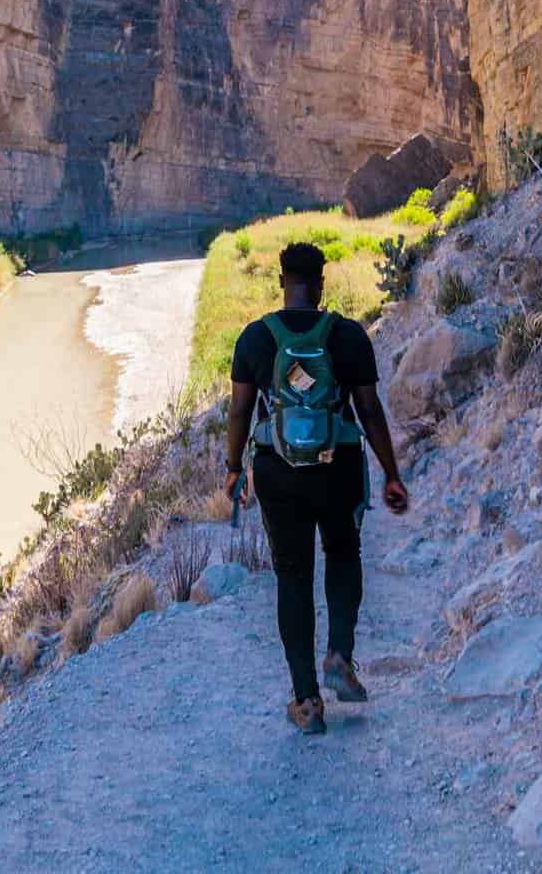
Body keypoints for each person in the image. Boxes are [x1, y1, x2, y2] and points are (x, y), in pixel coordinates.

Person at [224, 240, 408, 734]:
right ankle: (340, 655)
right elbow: (369, 411)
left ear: (282, 283)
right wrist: (391, 473)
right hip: (339, 468)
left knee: (292, 575)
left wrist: (232, 468)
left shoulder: (255, 339)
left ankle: (306, 701)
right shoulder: (348, 336)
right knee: (344, 556)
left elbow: (240, 411)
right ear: (321, 284)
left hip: (279, 474)